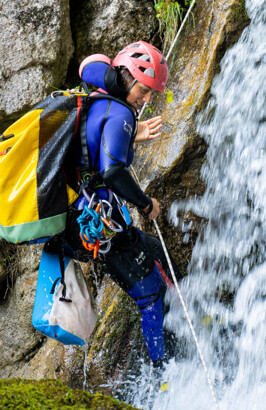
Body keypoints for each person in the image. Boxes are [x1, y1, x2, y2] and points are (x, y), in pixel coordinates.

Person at [47, 40, 181, 366]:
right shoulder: (121, 112)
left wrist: (131, 135)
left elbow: (93, 141)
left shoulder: (99, 92)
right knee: (149, 296)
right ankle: (163, 378)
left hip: (74, 215)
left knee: (154, 250)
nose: (147, 99)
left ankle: (181, 322)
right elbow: (112, 172)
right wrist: (147, 204)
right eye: (145, 90)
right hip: (94, 225)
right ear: (127, 77)